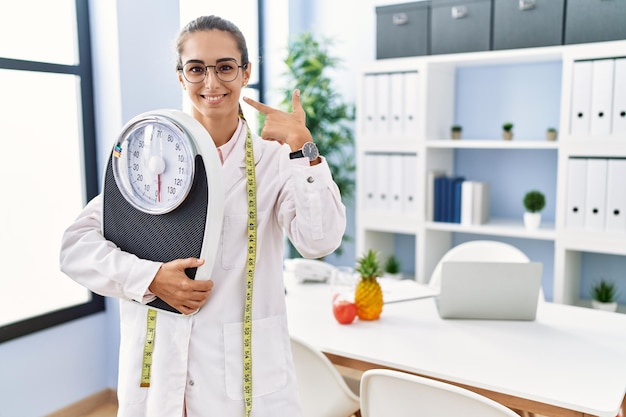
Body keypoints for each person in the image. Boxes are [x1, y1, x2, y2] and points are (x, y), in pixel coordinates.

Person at [60, 15, 346, 417]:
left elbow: (320, 241)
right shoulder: (147, 160)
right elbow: (75, 248)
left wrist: (304, 147)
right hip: (159, 372)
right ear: (181, 76)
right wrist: (150, 278)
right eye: (196, 69)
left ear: (246, 72)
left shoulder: (277, 161)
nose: (211, 83)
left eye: (225, 67)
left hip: (242, 380)